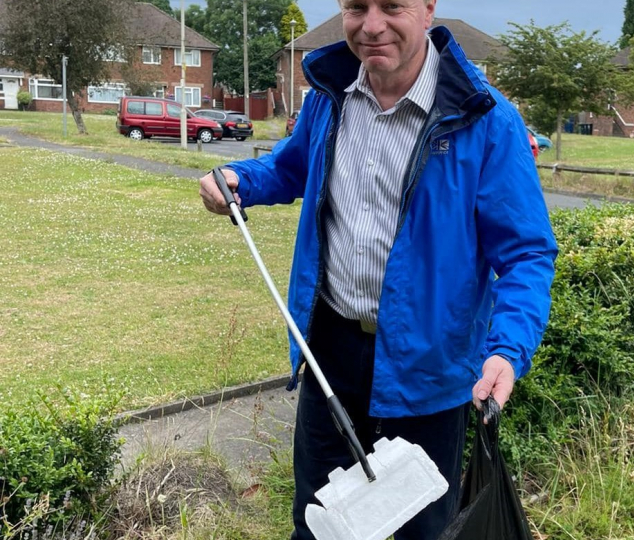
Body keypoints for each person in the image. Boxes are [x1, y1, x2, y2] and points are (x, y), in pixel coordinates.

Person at [199, 0, 557, 538]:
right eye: (355, 6)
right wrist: (240, 180)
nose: (371, 26)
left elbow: (527, 253)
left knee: (421, 530)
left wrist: (506, 350)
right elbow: (293, 165)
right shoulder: (330, 97)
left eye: (391, 6)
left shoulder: (487, 120)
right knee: (322, 525)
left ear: (429, 7)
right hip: (333, 355)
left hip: (430, 370)